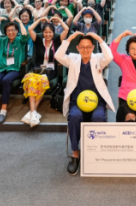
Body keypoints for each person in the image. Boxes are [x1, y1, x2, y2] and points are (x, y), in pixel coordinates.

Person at [54, 31, 115, 176]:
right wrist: (69, 39)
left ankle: (95, 153)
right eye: (82, 47)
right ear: (78, 48)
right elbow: (58, 56)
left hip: (96, 102)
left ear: (93, 48)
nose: (86, 50)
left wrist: (99, 38)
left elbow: (110, 56)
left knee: (99, 118)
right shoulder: (72, 59)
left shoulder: (98, 58)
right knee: (74, 117)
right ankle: (76, 154)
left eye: (88, 47)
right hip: (77, 102)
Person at [0, 17, 29, 124]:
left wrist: (19, 22)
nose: (11, 32)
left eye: (13, 30)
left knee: (6, 81)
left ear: (17, 31)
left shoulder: (20, 41)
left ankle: (3, 111)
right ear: (5, 32)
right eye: (8, 30)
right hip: (1, 68)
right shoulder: (2, 40)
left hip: (14, 68)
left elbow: (25, 36)